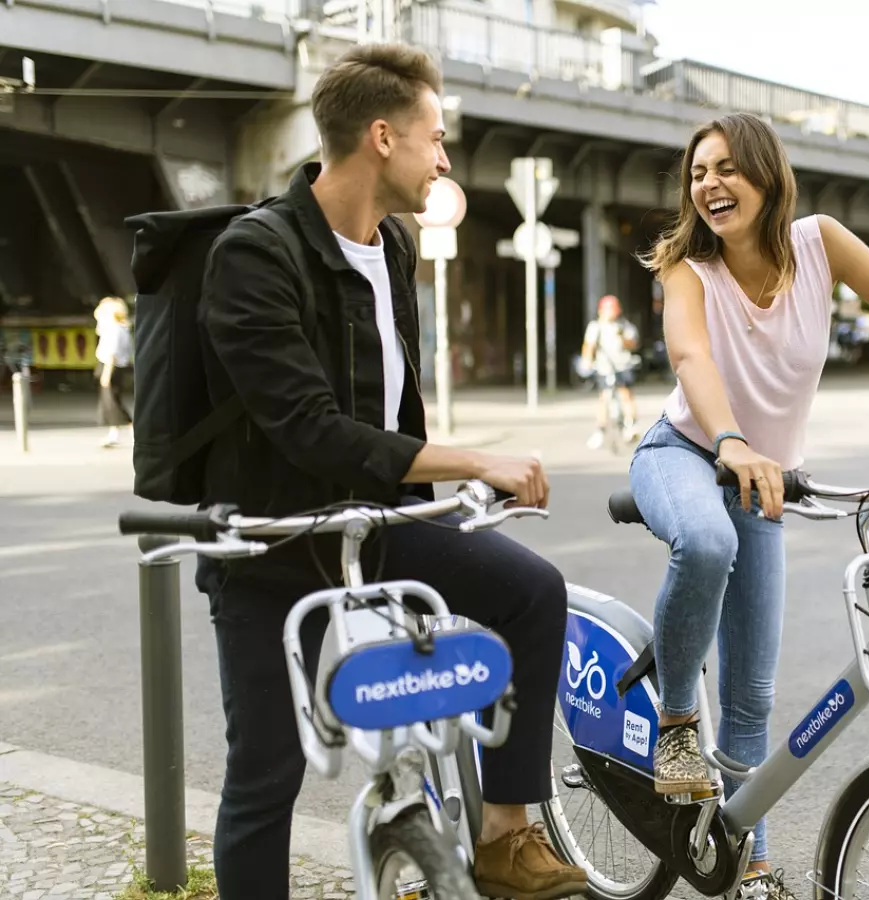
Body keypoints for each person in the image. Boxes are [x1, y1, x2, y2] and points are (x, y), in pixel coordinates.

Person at [188, 42, 586, 900]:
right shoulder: (254, 253)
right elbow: (311, 429)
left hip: (380, 525)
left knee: (531, 592)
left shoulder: (394, 245)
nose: (444, 158)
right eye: (434, 138)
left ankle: (504, 836)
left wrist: (446, 495)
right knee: (267, 773)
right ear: (381, 137)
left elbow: (394, 411)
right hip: (271, 542)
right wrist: (478, 460)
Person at [630, 112, 869, 898]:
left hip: (762, 480)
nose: (710, 183)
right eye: (699, 172)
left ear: (770, 176)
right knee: (706, 544)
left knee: (753, 699)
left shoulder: (820, 243)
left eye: (729, 167)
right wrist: (731, 440)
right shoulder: (685, 270)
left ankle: (752, 863)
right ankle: (673, 727)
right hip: (685, 455)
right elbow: (693, 357)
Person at [580, 293, 640, 448]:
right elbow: (589, 346)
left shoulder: (624, 326)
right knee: (604, 397)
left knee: (626, 394)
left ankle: (630, 424)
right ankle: (600, 429)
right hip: (604, 367)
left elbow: (633, 344)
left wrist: (622, 337)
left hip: (622, 365)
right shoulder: (595, 327)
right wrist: (586, 360)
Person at [93, 295, 133, 447]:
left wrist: (106, 375)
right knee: (109, 402)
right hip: (116, 367)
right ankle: (113, 433)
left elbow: (112, 354)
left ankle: (132, 429)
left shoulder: (114, 330)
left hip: (111, 367)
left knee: (114, 402)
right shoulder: (122, 328)